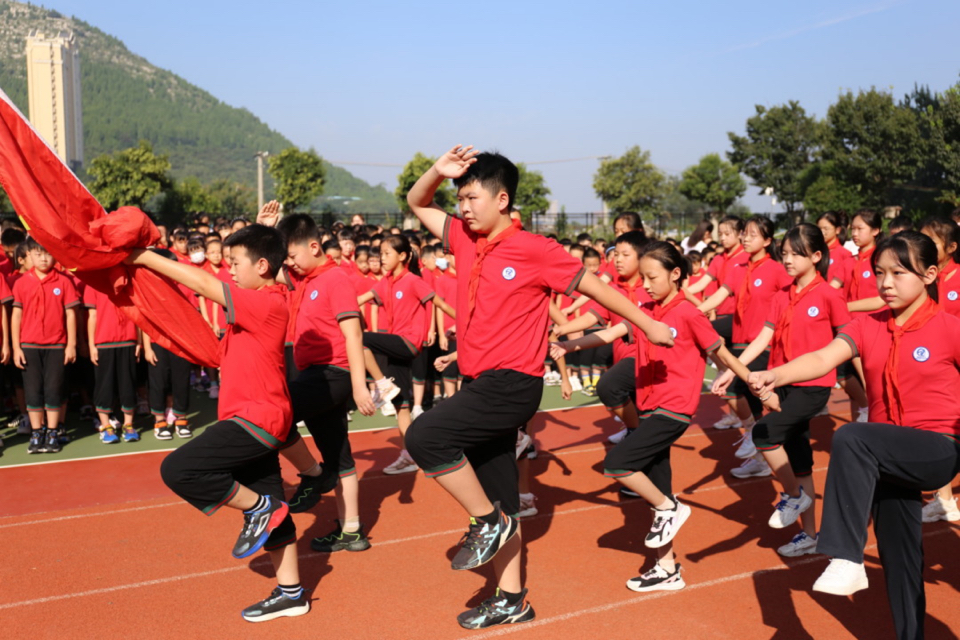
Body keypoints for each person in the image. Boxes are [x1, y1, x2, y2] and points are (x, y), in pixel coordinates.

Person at [403, 145, 674, 629]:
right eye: (459, 198)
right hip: (482, 381)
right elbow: (418, 202)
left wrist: (644, 323)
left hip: (513, 384)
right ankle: (512, 598)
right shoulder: (464, 238)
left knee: (425, 437)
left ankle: (487, 522)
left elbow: (595, 287)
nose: (462, 207)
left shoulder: (535, 249)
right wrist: (437, 172)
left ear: (502, 199)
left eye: (471, 197)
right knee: (503, 495)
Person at [749, 230, 960, 640]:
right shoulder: (869, 326)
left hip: (938, 449)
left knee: (851, 437)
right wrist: (776, 373)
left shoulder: (951, 328)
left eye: (899, 273)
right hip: (886, 456)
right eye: (879, 272)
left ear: (930, 274)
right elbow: (823, 357)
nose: (885, 283)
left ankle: (846, 555)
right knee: (900, 560)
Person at [553, 241, 776, 591]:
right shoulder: (645, 307)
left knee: (619, 465)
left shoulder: (689, 312)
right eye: (642, 277)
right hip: (647, 405)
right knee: (659, 489)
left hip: (672, 410)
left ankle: (671, 507)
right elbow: (612, 331)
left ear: (675, 274)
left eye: (652, 277)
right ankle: (666, 567)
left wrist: (753, 382)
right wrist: (566, 345)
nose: (645, 284)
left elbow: (721, 353)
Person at [126, 224, 310, 622]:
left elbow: (204, 283)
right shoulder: (266, 295)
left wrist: (144, 257)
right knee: (276, 508)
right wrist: (264, 228)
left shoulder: (264, 304)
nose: (229, 270)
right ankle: (292, 592)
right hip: (257, 418)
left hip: (255, 418)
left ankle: (257, 507)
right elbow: (253, 267)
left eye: (234, 264)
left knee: (179, 469)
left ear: (262, 266)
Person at [713, 224, 850, 554]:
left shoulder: (829, 296)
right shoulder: (781, 295)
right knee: (800, 459)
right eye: (784, 253)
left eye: (796, 253)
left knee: (763, 433)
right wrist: (733, 371)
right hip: (781, 384)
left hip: (813, 387)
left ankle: (793, 496)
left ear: (816, 256)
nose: (787, 259)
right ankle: (811, 535)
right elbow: (763, 338)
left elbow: (848, 341)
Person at [256, 206, 377, 551]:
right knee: (340, 456)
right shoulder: (304, 279)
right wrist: (264, 230)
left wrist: (358, 384)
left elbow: (353, 334)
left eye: (291, 255)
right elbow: (269, 271)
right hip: (318, 374)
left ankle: (312, 475)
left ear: (313, 247)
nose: (288, 263)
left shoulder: (335, 279)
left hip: (332, 374)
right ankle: (352, 530)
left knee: (273, 412)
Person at [698, 215, 792, 469]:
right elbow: (720, 294)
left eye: (753, 235)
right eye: (745, 234)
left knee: (736, 389)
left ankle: (759, 438)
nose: (746, 238)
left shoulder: (775, 268)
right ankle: (761, 455)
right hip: (740, 341)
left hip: (763, 344)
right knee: (748, 398)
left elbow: (792, 299)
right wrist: (694, 314)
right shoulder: (739, 268)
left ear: (767, 240)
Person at [358, 234, 455, 473]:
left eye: (387, 254)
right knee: (401, 404)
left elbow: (438, 303)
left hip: (409, 342)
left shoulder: (412, 280)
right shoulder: (386, 282)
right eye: (380, 254)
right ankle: (409, 455)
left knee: (359, 339)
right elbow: (360, 299)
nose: (382, 258)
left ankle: (381, 384)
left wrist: (465, 321)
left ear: (402, 256)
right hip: (396, 345)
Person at [11, 238, 77, 454]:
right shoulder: (21, 283)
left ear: (55, 256)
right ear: (29, 255)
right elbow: (16, 315)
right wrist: (16, 347)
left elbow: (70, 314)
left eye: (48, 254)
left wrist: (71, 345)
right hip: (29, 345)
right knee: (33, 392)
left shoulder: (64, 282)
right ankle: (36, 432)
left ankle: (52, 432)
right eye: (38, 254)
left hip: (56, 345)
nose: (43, 259)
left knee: (53, 390)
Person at [683, 215, 748, 429]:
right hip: (722, 316)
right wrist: (679, 291)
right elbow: (702, 283)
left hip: (741, 319)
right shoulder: (719, 259)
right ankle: (735, 414)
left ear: (740, 234)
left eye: (728, 233)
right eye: (721, 233)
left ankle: (747, 417)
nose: (724, 237)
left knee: (738, 370)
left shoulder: (746, 258)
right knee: (728, 369)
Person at [918, 215, 960, 523]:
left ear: (952, 246)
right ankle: (944, 499)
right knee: (939, 429)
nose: (924, 246)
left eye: (931, 241)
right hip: (936, 366)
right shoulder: (925, 278)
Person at [85, 286, 141, 443]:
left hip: (128, 341)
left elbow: (137, 314)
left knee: (128, 385)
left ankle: (128, 425)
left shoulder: (128, 283)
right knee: (104, 386)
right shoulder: (92, 285)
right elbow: (92, 316)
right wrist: (91, 345)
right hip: (103, 344)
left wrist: (139, 341)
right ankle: (106, 426)